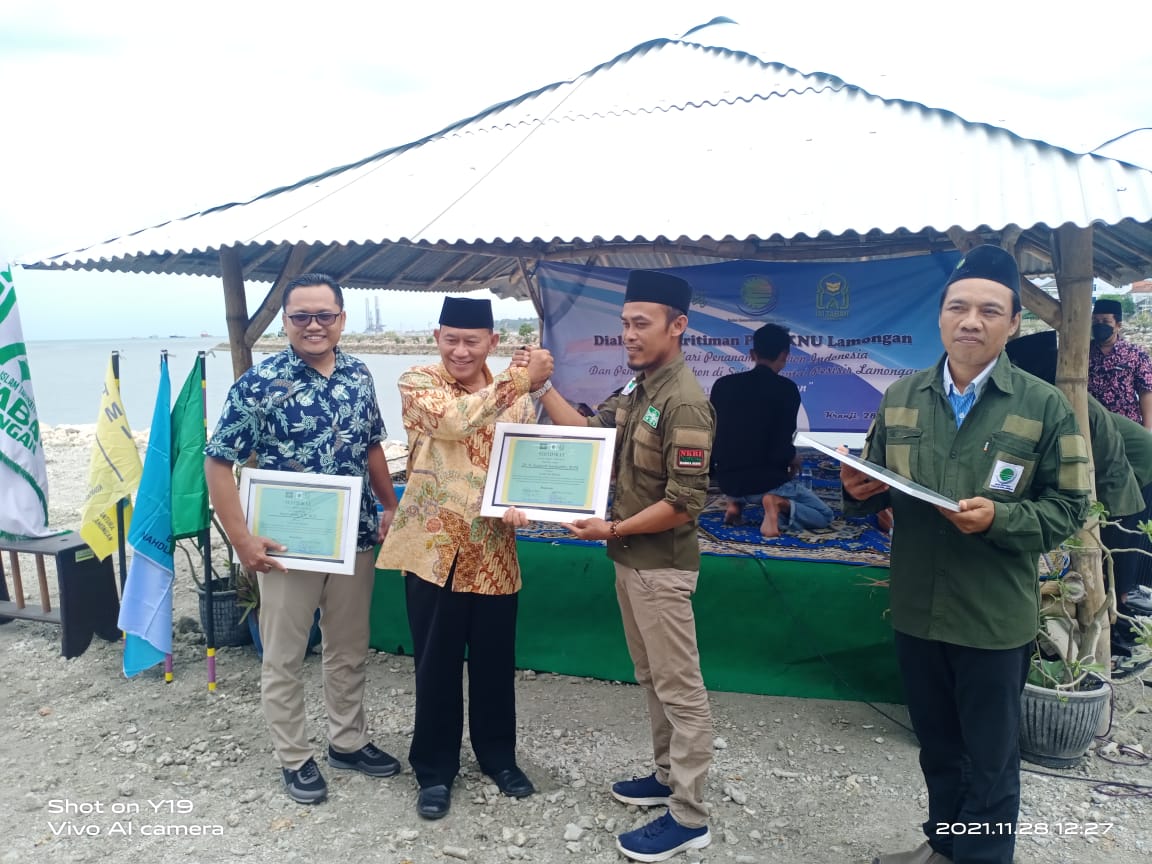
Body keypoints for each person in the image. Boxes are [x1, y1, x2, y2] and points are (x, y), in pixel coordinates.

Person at [840, 246, 1089, 864]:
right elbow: (874, 483)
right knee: (939, 749)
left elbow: (1070, 509)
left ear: (1014, 323)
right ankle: (946, 846)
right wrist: (858, 490)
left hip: (991, 617)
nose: (970, 321)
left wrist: (1000, 518)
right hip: (917, 608)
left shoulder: (1043, 406)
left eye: (989, 310)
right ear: (941, 316)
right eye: (958, 307)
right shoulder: (901, 397)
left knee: (991, 758)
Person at [528, 269, 715, 863]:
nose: (629, 334)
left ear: (677, 326)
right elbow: (589, 434)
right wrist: (542, 387)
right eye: (625, 323)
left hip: (660, 566)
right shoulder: (640, 388)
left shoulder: (685, 401)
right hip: (632, 560)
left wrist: (610, 528)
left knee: (680, 688)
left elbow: (684, 502)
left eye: (641, 324)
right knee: (652, 676)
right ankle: (664, 777)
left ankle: (689, 816)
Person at [204, 272, 402, 805]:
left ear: (342, 318)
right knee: (285, 655)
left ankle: (347, 742)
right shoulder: (258, 384)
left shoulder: (358, 374)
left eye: (324, 315)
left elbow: (372, 447)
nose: (313, 325)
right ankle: (294, 757)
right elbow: (218, 462)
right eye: (301, 317)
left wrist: (390, 505)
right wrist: (242, 539)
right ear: (286, 321)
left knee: (349, 647)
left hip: (354, 537)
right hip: (286, 545)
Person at [374, 296, 553, 820]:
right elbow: (453, 421)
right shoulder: (418, 382)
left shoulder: (517, 400)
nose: (460, 350)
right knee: (436, 666)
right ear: (437, 338)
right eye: (450, 339)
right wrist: (521, 379)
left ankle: (499, 758)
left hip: (493, 553)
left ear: (491, 342)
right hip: (434, 552)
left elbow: (526, 462)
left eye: (471, 341)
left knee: (495, 664)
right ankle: (434, 771)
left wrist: (526, 505)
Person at [1005, 329, 1150, 666]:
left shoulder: (1065, 401)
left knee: (1109, 566)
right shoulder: (1053, 396)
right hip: (1115, 471)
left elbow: (1088, 469)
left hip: (1129, 475)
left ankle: (1116, 645)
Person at [709, 322, 834, 537]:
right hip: (766, 483)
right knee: (824, 515)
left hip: (728, 481)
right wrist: (792, 458)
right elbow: (781, 445)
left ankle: (735, 504)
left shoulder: (722, 385)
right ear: (784, 355)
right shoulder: (786, 389)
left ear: (752, 354)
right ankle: (777, 504)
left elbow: (716, 435)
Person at [1088, 298, 1152, 429]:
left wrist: (1148, 429)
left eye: (1106, 321)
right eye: (1095, 321)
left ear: (1118, 325)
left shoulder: (1136, 354)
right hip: (1091, 426)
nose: (1099, 325)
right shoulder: (1082, 353)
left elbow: (1146, 392)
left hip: (1127, 427)